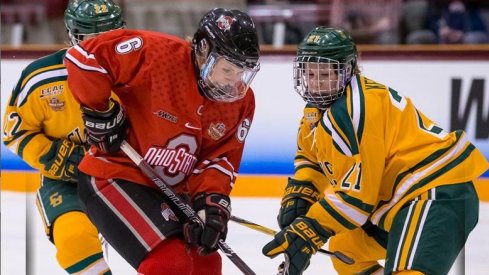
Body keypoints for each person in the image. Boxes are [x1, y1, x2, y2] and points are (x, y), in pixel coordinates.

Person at [262, 27, 489, 275]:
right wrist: (302, 193)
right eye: (310, 73)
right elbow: (312, 160)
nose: (316, 83)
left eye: (326, 74)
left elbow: (357, 201)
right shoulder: (316, 112)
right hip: (399, 203)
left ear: (347, 71)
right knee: (346, 251)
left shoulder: (356, 110)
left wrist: (310, 229)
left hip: (434, 195)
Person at [63, 7, 260, 274]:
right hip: (115, 175)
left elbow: (219, 159)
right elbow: (85, 57)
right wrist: (100, 111)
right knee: (169, 263)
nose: (233, 82)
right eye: (227, 69)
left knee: (206, 263)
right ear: (203, 52)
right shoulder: (156, 55)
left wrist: (211, 202)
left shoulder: (241, 103)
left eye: (242, 73)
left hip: (171, 191)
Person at [2, 0, 124, 274]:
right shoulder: (40, 78)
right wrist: (51, 155)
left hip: (131, 177)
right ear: (73, 36)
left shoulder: (142, 75)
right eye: (91, 39)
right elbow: (15, 132)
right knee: (74, 239)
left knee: (173, 251)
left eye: (108, 39)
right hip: (68, 181)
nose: (99, 48)